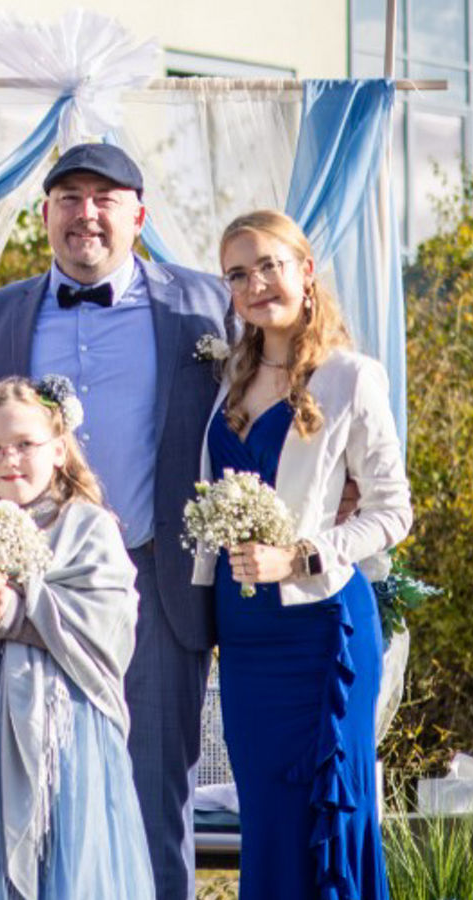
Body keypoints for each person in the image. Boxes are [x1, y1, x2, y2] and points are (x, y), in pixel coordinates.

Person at [0, 142, 227, 900]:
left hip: (152, 581)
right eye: (69, 197)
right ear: (44, 215)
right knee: (30, 794)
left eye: (105, 197)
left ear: (139, 214)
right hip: (20, 593)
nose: (86, 213)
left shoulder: (204, 306)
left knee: (152, 799)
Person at [194, 209, 410, 899]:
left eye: (269, 266)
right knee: (268, 823)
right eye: (238, 273)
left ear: (305, 271)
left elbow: (391, 510)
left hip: (321, 636)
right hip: (247, 643)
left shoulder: (351, 376)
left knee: (327, 816)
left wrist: (304, 556)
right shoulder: (229, 379)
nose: (256, 283)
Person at [0, 375, 154, 899]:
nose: (9, 459)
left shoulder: (88, 526)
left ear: (59, 450)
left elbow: (110, 628)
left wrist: (20, 613)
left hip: (64, 726)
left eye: (26, 445)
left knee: (61, 855)